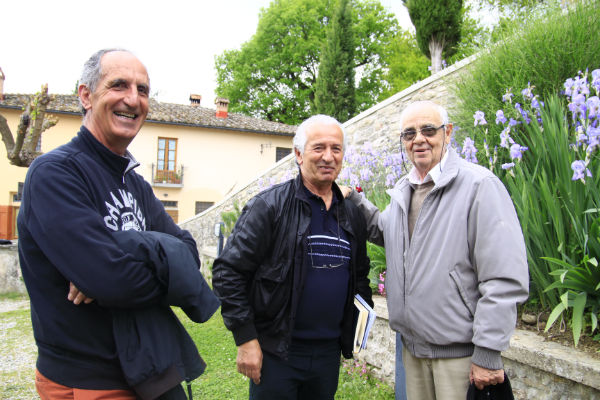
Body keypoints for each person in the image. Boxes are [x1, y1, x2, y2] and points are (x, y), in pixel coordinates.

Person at [18, 48, 220, 400]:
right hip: (88, 382)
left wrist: (122, 250)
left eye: (142, 90)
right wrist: (156, 270)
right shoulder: (56, 173)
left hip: (150, 373)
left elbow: (188, 255)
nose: (133, 99)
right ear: (86, 95)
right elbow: (111, 279)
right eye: (118, 85)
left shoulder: (135, 182)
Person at [343, 101, 529, 400]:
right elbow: (385, 231)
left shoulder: (479, 186)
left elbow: (503, 278)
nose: (419, 139)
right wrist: (353, 199)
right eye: (409, 133)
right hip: (413, 350)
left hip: (460, 357)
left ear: (448, 132)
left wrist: (488, 353)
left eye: (428, 130)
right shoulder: (406, 188)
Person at [212, 115, 373, 400]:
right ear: (298, 154)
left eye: (336, 149)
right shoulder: (269, 207)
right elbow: (229, 272)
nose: (328, 156)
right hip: (277, 353)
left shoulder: (351, 215)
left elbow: (359, 276)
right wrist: (246, 339)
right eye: (318, 148)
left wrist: (356, 329)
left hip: (327, 356)